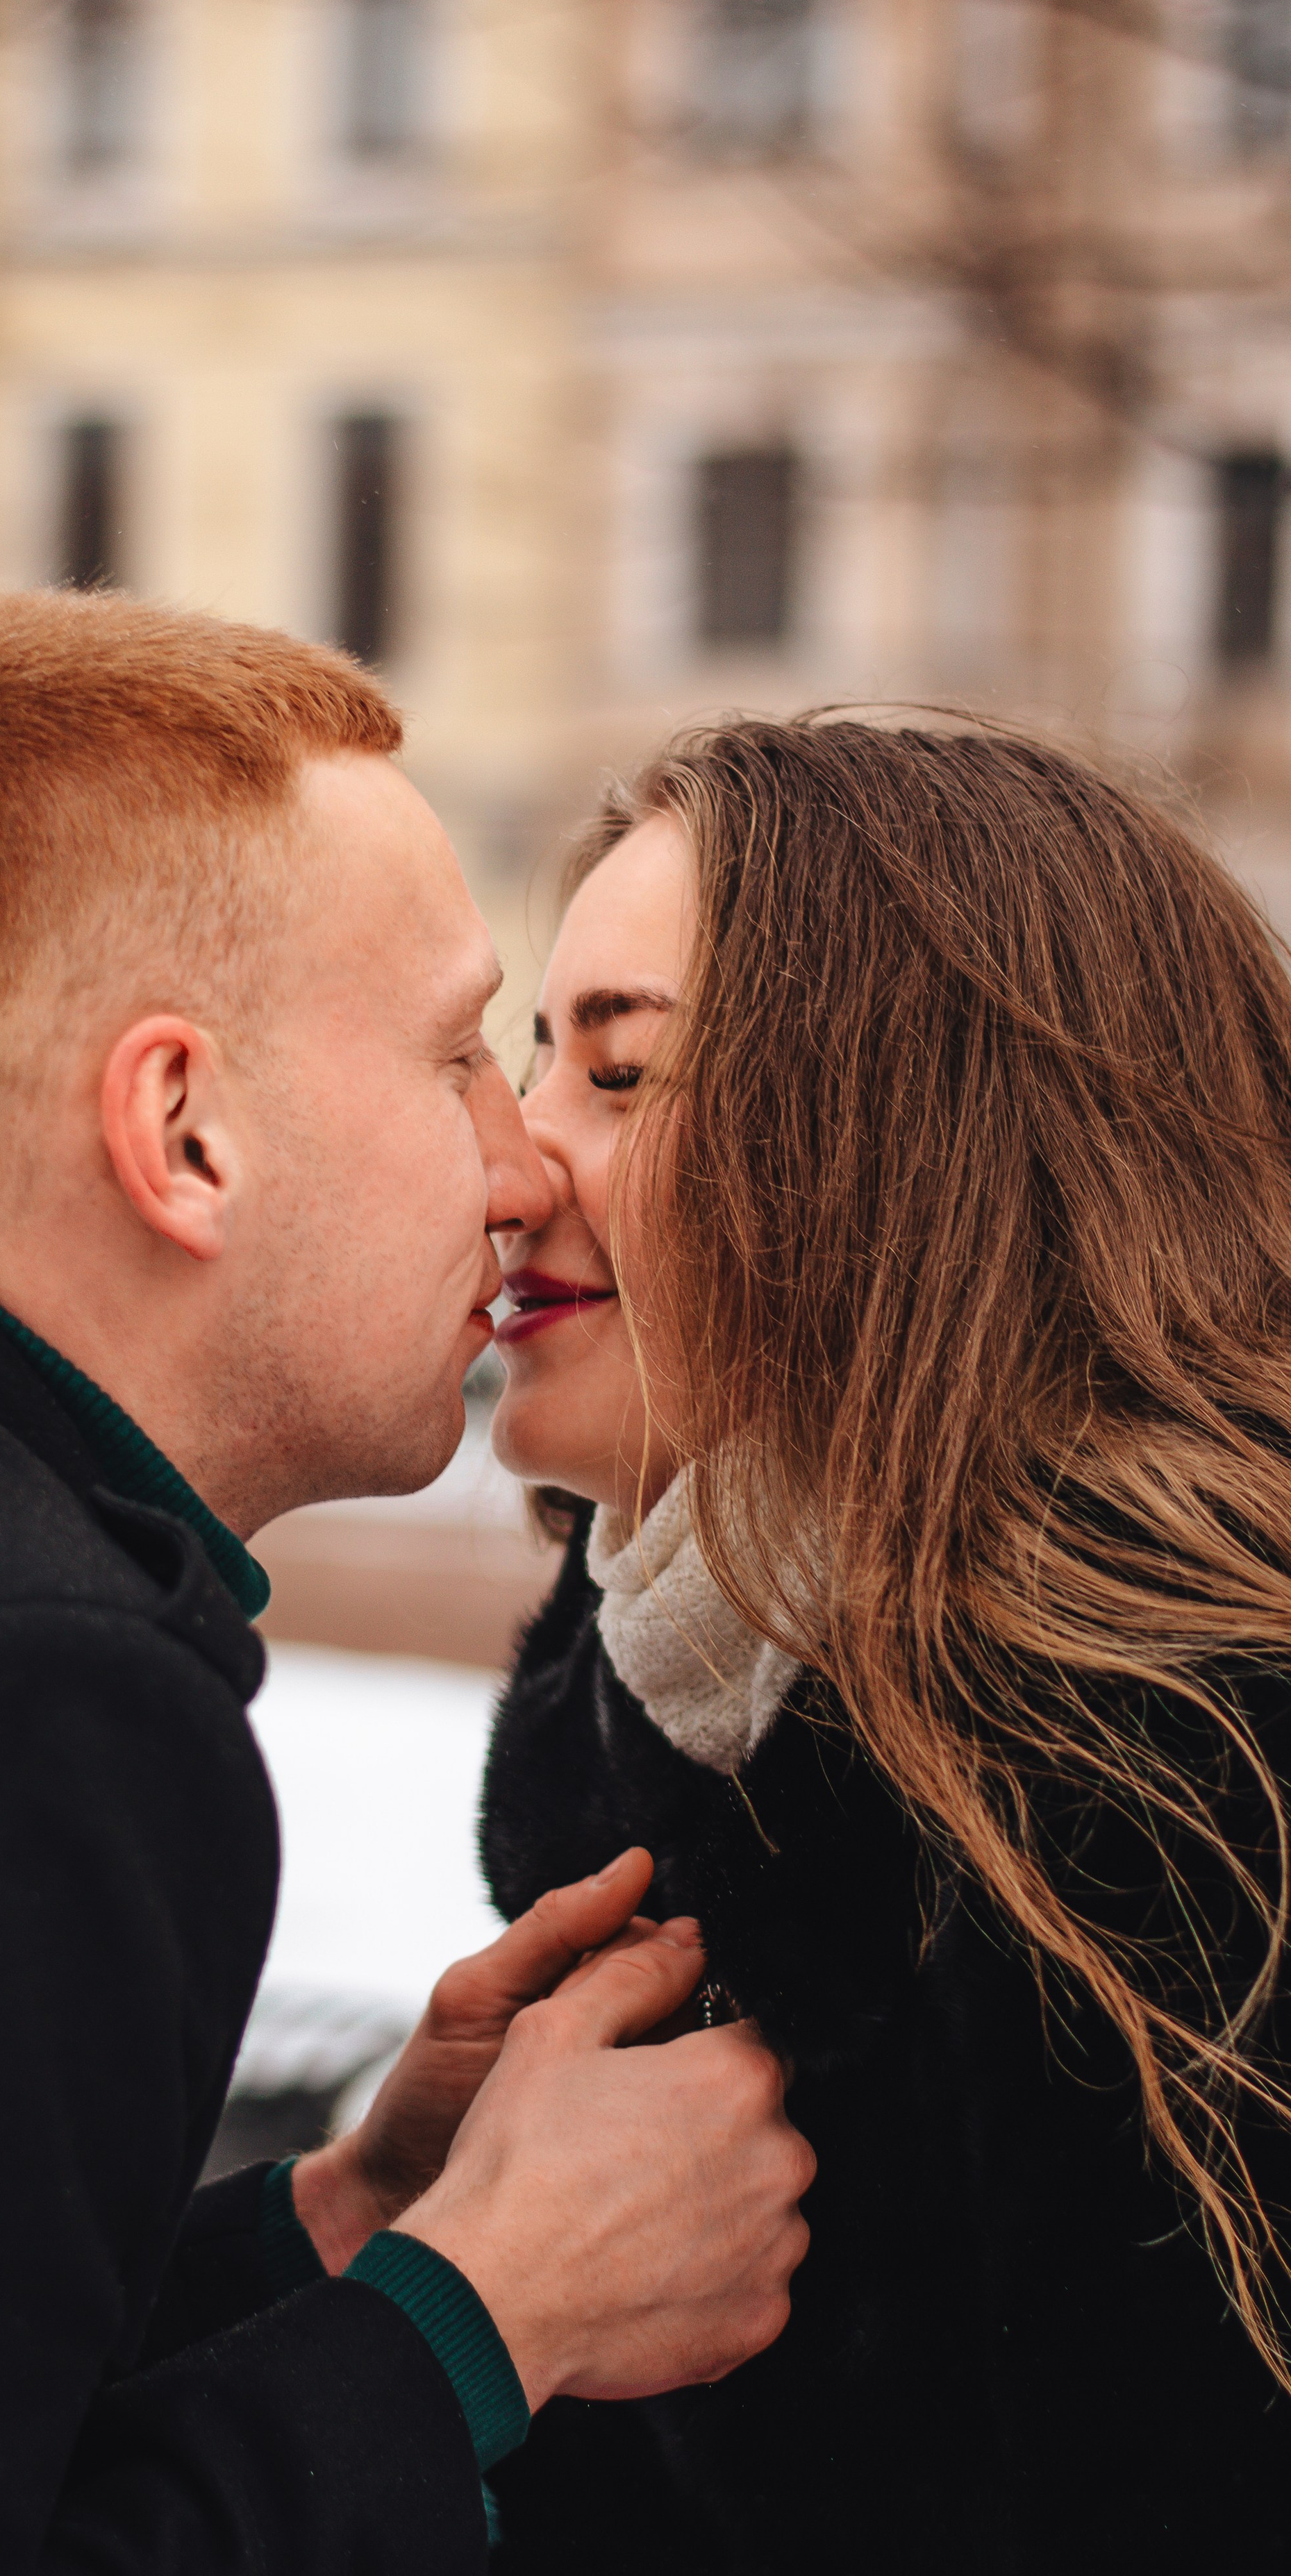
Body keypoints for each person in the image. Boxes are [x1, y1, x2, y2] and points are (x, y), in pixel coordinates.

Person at [0, 596, 815, 2573]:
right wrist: (479, 2321)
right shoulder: (1, 1703)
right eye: (463, 1049)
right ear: (182, 1130)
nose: (518, 1165)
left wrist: (348, 2217)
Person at [476, 716, 1291, 2575]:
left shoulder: (1191, 1784)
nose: (508, 1165)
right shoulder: (642, 1720)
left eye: (618, 1074)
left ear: (912, 1148)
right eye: (536, 1060)